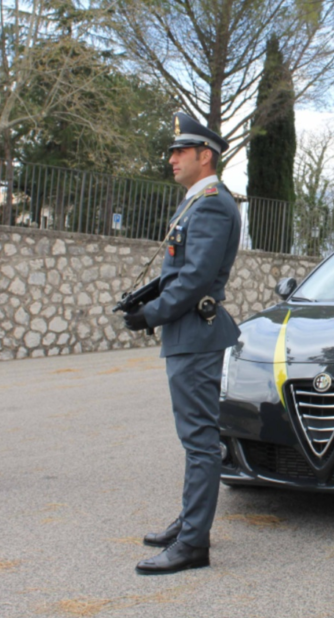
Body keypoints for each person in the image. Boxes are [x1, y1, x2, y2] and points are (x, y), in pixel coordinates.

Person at [124, 113, 242, 575]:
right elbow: (180, 270)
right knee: (194, 436)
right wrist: (145, 297)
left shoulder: (212, 203)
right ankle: (190, 522)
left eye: (180, 151)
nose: (171, 159)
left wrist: (151, 315)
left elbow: (195, 278)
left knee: (198, 439)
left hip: (196, 330)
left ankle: (194, 543)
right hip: (188, 331)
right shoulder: (196, 203)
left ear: (204, 155)